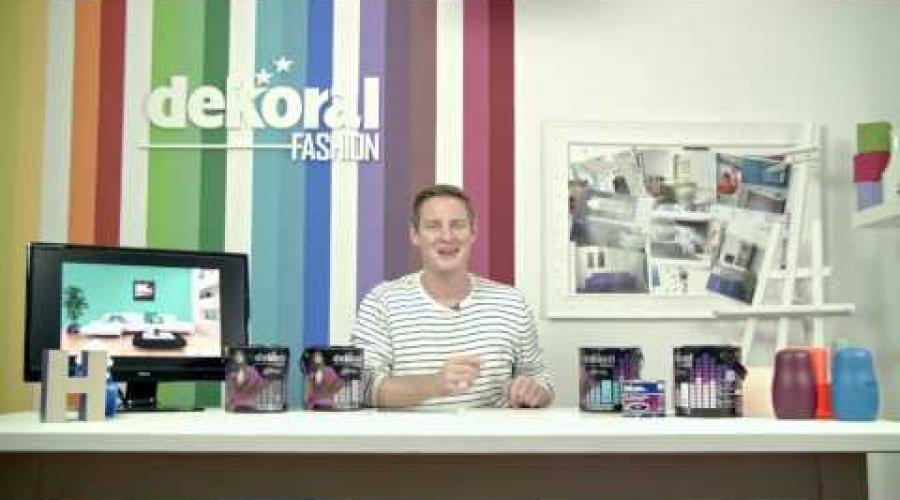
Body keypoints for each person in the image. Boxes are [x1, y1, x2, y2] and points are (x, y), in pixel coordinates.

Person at [350, 184, 554, 409]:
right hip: (410, 433)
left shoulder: (512, 303)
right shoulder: (381, 302)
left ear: (473, 232)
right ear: (415, 234)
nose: (447, 236)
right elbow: (361, 388)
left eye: (457, 225)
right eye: (433, 226)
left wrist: (534, 391)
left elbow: (541, 381)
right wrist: (433, 385)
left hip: (492, 433)